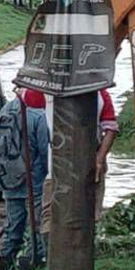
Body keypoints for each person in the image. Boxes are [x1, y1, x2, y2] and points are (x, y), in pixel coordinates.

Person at [25, 87, 118, 222]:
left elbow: (25, 97)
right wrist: (99, 159)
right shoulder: (99, 92)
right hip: (89, 161)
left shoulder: (47, 91)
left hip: (59, 163)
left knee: (50, 216)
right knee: (89, 214)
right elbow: (111, 128)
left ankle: (50, 241)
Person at [0, 94, 50, 270]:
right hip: (34, 183)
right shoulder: (39, 116)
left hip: (9, 181)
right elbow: (44, 153)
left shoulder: (4, 111)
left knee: (12, 230)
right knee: (35, 228)